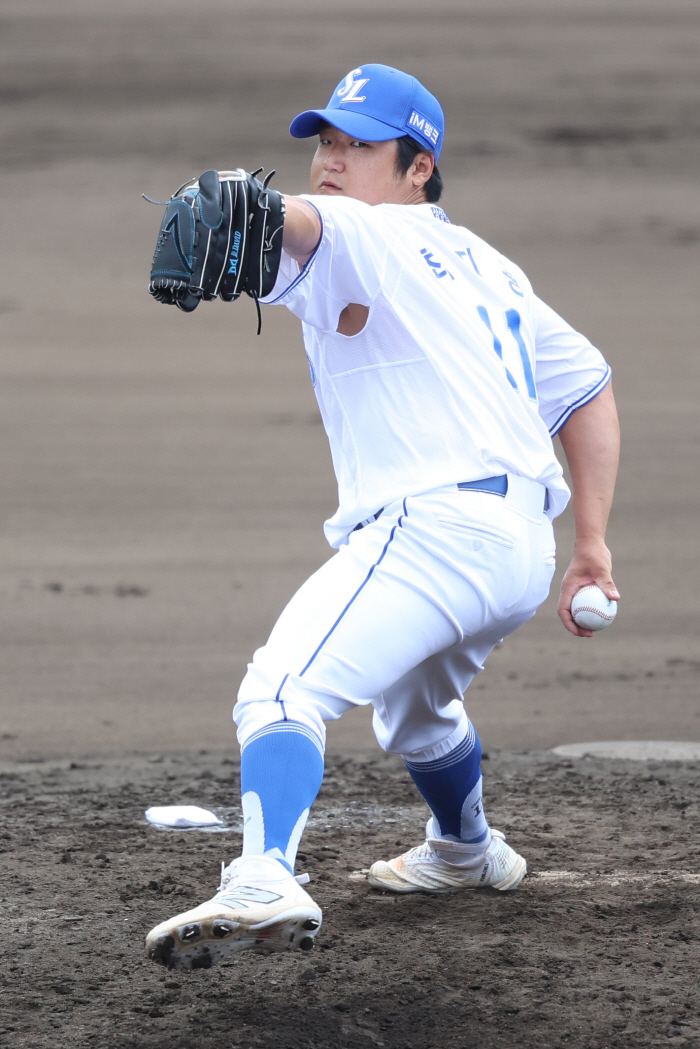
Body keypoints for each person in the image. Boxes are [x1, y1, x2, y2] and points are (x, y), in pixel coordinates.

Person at [145, 64, 620, 970]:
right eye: (325, 142)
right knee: (417, 711)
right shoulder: (491, 267)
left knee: (280, 689)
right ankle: (466, 848)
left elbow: (307, 224)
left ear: (418, 167)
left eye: (358, 145)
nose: (331, 160)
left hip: (437, 532)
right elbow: (588, 391)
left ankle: (262, 875)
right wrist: (590, 543)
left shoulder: (367, 229)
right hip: (521, 549)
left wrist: (262, 208)